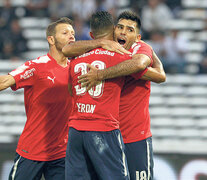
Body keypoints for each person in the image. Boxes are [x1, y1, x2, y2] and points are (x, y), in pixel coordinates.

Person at [63, 11, 166, 180]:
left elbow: (159, 75)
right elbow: (67, 49)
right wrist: (102, 43)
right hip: (108, 134)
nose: (123, 32)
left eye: (130, 30)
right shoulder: (109, 52)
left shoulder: (137, 51)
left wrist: (100, 74)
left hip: (134, 136)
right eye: (120, 27)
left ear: (137, 37)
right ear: (113, 30)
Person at [0, 17, 75, 180]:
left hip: (61, 153)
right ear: (51, 39)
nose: (71, 36)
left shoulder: (76, 69)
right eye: (65, 33)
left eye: (73, 33)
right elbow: (5, 81)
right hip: (32, 150)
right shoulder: (36, 66)